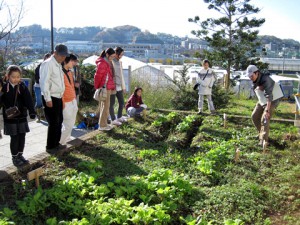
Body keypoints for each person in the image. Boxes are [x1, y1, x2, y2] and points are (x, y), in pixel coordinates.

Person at [0, 65, 36, 167]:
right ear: (7, 76)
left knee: (22, 136)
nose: (16, 79)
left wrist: (32, 111)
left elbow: (28, 99)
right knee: (14, 138)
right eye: (13, 77)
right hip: (10, 117)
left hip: (22, 115)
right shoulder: (4, 88)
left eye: (18, 76)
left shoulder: (22, 86)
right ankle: (15, 157)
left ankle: (20, 155)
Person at [40, 44, 69, 153]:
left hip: (58, 96)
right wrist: (48, 99)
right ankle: (50, 146)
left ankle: (56, 143)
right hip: (51, 96)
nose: (63, 58)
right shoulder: (48, 64)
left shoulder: (58, 64)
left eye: (64, 56)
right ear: (55, 53)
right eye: (61, 55)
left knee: (59, 121)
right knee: (53, 122)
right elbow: (44, 82)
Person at [247, 65, 283, 146]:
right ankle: (261, 134)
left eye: (252, 76)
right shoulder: (256, 79)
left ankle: (264, 141)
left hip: (272, 99)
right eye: (249, 76)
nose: (250, 78)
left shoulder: (266, 79)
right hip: (263, 99)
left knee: (265, 118)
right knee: (254, 116)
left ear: (257, 73)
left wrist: (267, 110)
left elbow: (269, 96)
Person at [94, 48, 116, 131]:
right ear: (107, 55)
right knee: (106, 106)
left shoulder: (105, 62)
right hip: (105, 87)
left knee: (105, 106)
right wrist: (98, 87)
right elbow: (97, 76)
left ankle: (103, 124)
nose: (112, 58)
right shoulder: (103, 63)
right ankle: (103, 125)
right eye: (112, 56)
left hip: (107, 87)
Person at [60, 54, 79, 145]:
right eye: (73, 61)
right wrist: (62, 101)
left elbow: (71, 86)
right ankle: (60, 142)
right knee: (67, 124)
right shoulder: (60, 72)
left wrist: (74, 97)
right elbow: (60, 90)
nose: (74, 63)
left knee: (72, 121)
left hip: (72, 99)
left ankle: (67, 138)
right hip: (66, 101)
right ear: (66, 60)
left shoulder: (69, 72)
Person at [109, 47, 126, 126]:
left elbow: (121, 75)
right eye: (121, 54)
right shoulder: (111, 61)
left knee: (121, 102)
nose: (121, 56)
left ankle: (119, 116)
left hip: (119, 85)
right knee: (111, 103)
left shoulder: (120, 62)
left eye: (122, 54)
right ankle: (113, 119)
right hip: (113, 86)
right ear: (116, 53)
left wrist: (124, 87)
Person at [34, 53, 51, 122]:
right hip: (39, 87)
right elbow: (37, 79)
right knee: (39, 101)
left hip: (47, 87)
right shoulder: (39, 67)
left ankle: (43, 115)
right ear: (44, 59)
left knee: (46, 101)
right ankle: (38, 116)